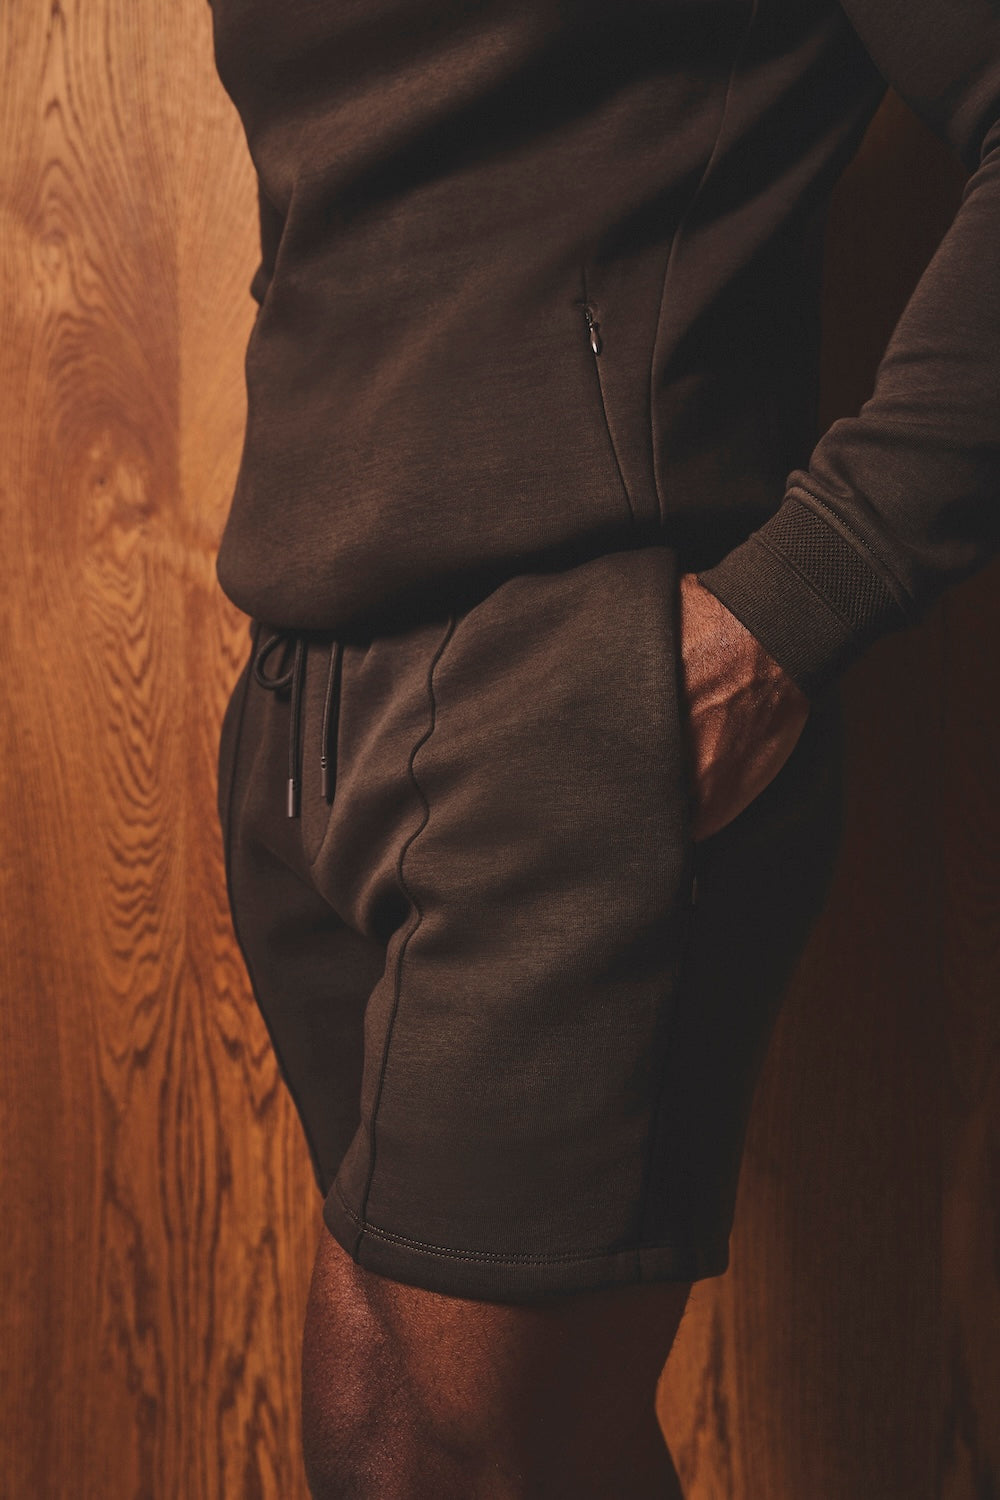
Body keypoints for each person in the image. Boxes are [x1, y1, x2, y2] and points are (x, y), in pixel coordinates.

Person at [207, 0, 1000, 1494]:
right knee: (386, 1446)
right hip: (306, 712)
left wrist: (804, 594)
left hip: (570, 705)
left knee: (483, 1451)